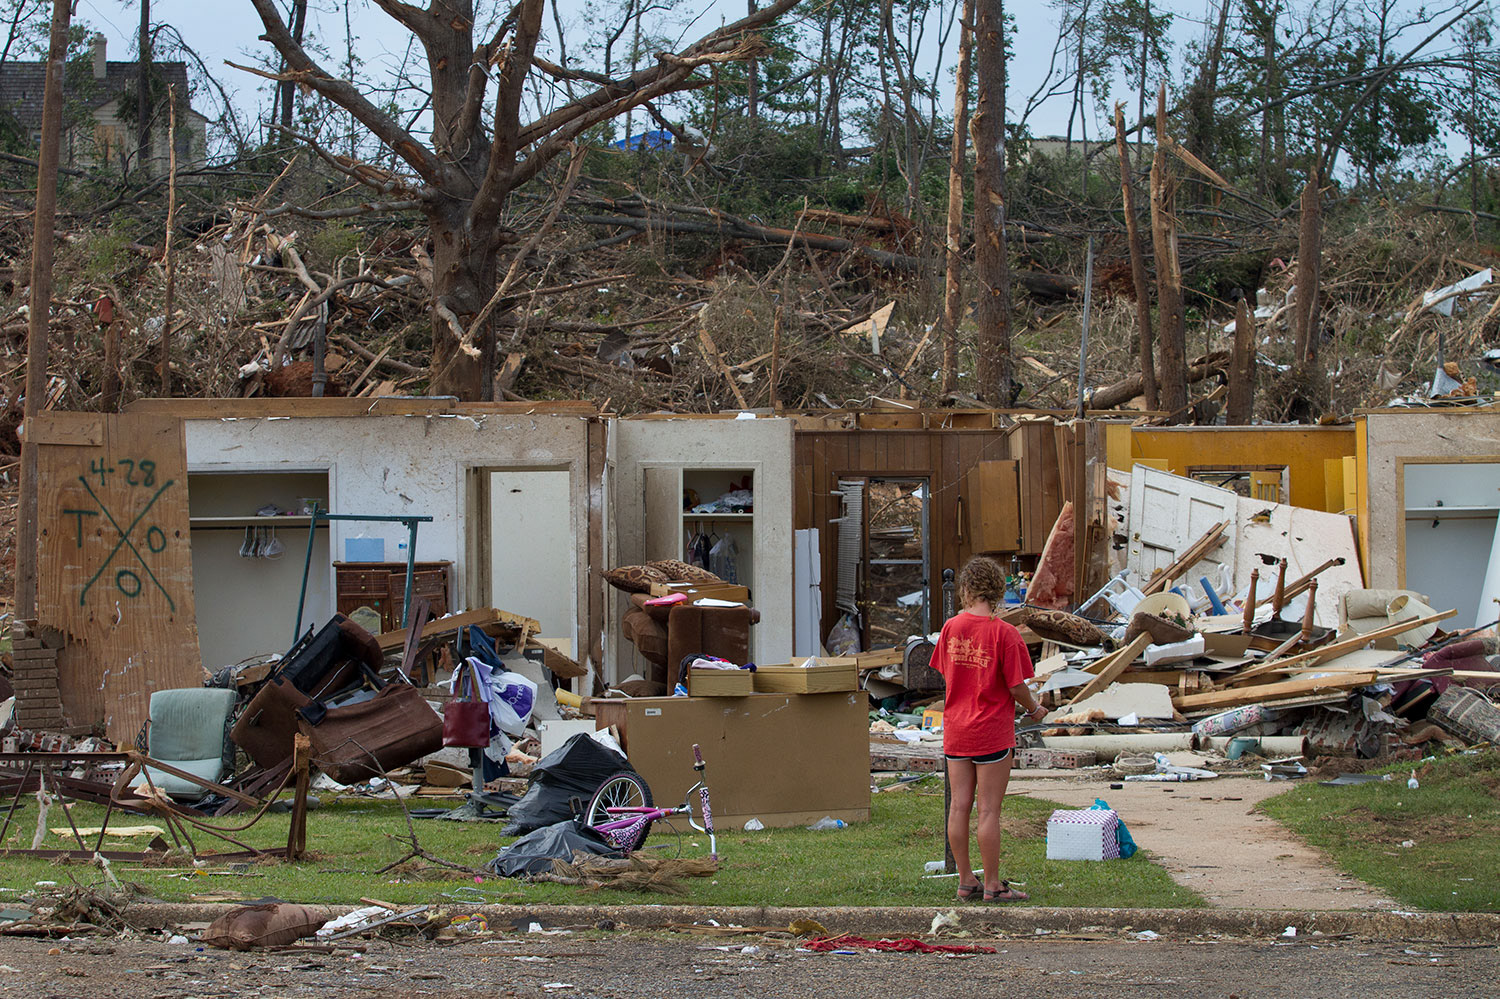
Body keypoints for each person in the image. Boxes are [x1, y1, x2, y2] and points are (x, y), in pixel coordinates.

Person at [932, 555, 1044, 902]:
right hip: (991, 730)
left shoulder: (951, 628)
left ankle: (966, 880)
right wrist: (1034, 707)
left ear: (965, 589)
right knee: (989, 810)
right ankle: (993, 884)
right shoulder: (1005, 634)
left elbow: (946, 672)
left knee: (958, 806)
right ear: (997, 591)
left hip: (957, 730)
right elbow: (1016, 686)